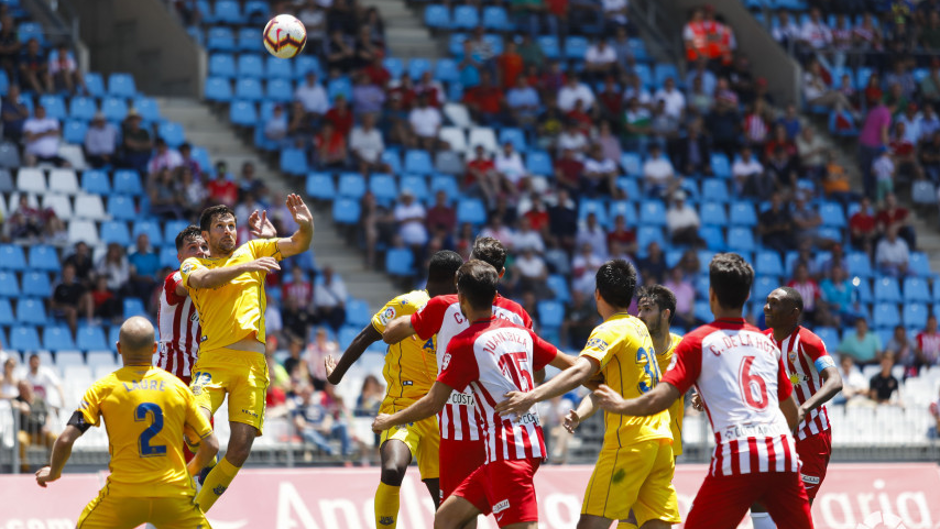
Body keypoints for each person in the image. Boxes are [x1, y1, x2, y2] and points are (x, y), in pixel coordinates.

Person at [590, 254, 811, 529]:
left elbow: (662, 397)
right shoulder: (765, 342)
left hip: (738, 452)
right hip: (783, 455)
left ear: (711, 295)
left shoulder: (697, 342)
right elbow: (792, 413)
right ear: (747, 295)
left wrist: (622, 405)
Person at [373, 260, 574, 529]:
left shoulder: (466, 343)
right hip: (508, 446)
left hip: (508, 450)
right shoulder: (518, 331)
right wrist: (598, 373)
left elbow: (434, 402)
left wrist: (390, 420)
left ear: (462, 297)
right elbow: (574, 366)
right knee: (445, 519)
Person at [494, 260, 681, 529]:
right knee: (652, 523)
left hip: (629, 442)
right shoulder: (638, 327)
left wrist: (532, 396)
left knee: (590, 524)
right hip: (661, 441)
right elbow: (604, 386)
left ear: (597, 294)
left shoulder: (609, 329)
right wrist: (580, 413)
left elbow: (581, 371)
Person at [380, 237, 534, 520]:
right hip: (506, 434)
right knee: (513, 519)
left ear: (467, 267)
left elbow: (390, 333)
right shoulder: (518, 315)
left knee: (452, 520)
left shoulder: (445, 305)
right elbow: (539, 370)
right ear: (500, 275)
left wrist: (403, 311)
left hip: (459, 434)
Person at [180, 195, 313, 513]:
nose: (228, 231)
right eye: (219, 227)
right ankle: (203, 468)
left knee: (240, 447)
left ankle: (195, 512)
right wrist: (247, 266)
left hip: (252, 365)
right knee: (189, 423)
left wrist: (306, 224)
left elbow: (299, 244)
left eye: (231, 225)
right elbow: (202, 281)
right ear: (206, 237)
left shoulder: (252, 249)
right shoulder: (194, 263)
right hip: (213, 360)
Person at [35, 317, 219, 529]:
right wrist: (188, 471)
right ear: (154, 348)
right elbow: (211, 445)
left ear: (119, 348)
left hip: (123, 498)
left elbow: (65, 439)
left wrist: (54, 473)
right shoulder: (177, 387)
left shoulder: (103, 389)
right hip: (173, 497)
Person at [323, 250, 463, 528]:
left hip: (441, 413)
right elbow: (366, 336)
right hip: (401, 407)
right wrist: (336, 377)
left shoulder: (460, 312)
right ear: (454, 279)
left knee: (444, 502)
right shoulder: (407, 304)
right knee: (392, 468)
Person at [749, 287, 842, 528]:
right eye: (767, 301)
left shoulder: (809, 342)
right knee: (758, 499)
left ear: (794, 313)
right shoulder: (762, 341)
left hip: (810, 437)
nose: (766, 307)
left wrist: (803, 409)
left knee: (795, 513)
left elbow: (835, 380)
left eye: (775, 303)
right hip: (774, 437)